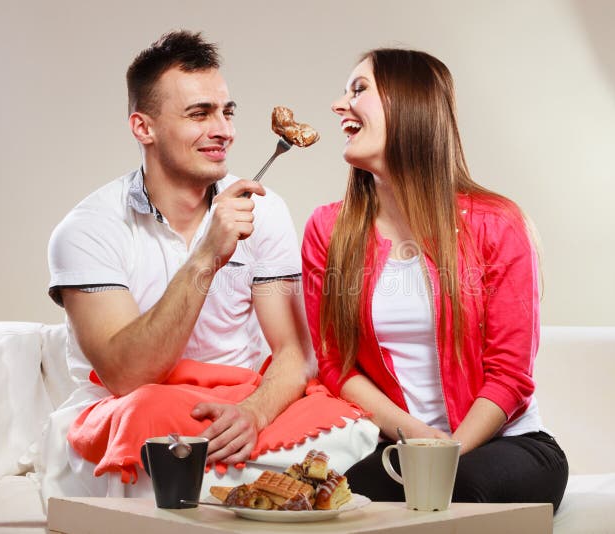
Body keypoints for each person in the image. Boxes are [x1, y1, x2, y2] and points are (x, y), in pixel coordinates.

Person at [39, 30, 377, 502]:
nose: (224, 130)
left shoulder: (265, 209)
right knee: (148, 418)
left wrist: (256, 413)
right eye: (199, 114)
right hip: (137, 406)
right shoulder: (87, 231)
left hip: (241, 401)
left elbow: (294, 353)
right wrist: (207, 257)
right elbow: (127, 375)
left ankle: (246, 472)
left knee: (348, 424)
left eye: (227, 111)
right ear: (144, 128)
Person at [302, 48, 568, 510]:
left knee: (456, 490)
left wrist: (446, 455)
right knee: (324, 494)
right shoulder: (328, 230)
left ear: (410, 104)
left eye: (359, 89)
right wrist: (421, 442)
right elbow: (336, 366)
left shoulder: (497, 223)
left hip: (506, 445)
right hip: (404, 447)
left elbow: (510, 375)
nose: (339, 105)